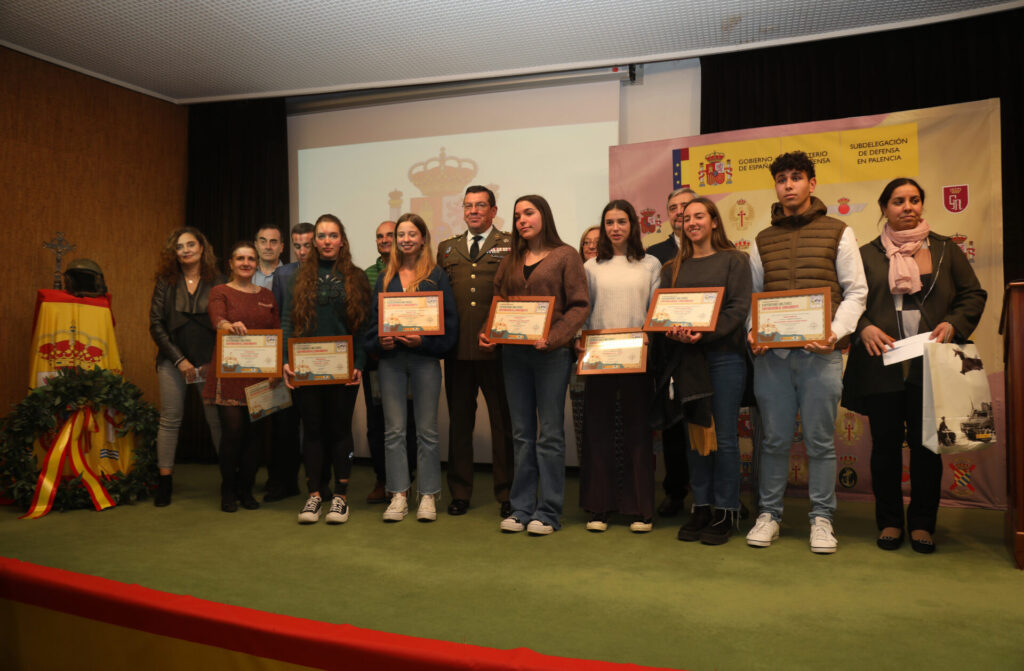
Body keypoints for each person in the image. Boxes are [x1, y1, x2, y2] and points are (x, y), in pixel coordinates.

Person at [841, 178, 986, 554]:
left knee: (927, 448)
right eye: (898, 201)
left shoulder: (944, 249)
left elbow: (973, 294)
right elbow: (848, 301)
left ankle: (922, 524)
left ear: (922, 205)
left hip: (932, 365)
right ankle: (889, 521)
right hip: (882, 365)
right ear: (884, 208)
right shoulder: (866, 253)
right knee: (885, 447)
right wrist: (863, 327)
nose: (908, 207)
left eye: (914, 200)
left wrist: (954, 323)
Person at [745, 151, 867, 554]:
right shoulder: (762, 239)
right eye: (782, 179)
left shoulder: (838, 231)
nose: (789, 185)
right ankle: (769, 515)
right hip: (774, 359)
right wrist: (753, 332)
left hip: (821, 356)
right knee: (775, 441)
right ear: (776, 187)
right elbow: (755, 297)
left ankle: (822, 519)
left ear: (812, 184)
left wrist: (834, 333)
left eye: (797, 177)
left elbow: (856, 291)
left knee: (820, 443)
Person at [481, 195, 589, 535]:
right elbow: (499, 299)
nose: (522, 220)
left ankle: (548, 512)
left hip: (550, 355)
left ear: (545, 215)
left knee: (551, 435)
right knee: (521, 434)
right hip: (513, 355)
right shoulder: (511, 257)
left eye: (529, 213)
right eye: (517, 216)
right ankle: (521, 507)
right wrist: (489, 332)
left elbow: (579, 306)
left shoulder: (566, 255)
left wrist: (554, 338)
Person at [663, 198, 751, 545]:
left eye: (699, 216)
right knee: (695, 436)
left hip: (725, 358)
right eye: (686, 218)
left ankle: (726, 510)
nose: (691, 222)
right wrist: (672, 331)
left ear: (715, 221)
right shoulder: (672, 266)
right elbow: (664, 311)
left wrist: (706, 332)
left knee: (725, 438)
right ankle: (700, 506)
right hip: (687, 360)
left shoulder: (735, 261)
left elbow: (738, 309)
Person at [366, 213, 457, 523]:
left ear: (422, 239)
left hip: (424, 360)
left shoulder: (436, 276)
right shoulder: (384, 278)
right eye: (400, 234)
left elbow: (449, 324)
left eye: (411, 234)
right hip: (391, 362)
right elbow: (372, 326)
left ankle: (428, 495)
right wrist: (382, 343)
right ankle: (398, 495)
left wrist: (425, 342)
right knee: (393, 431)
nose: (405, 239)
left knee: (428, 431)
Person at [283, 214, 371, 525]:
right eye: (321, 236)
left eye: (333, 235)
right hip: (306, 368)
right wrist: (286, 361)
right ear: (314, 242)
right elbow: (287, 322)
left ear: (342, 241)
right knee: (313, 430)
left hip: (344, 369)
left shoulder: (357, 277)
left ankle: (340, 497)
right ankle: (315, 495)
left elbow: (362, 327)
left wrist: (359, 363)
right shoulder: (297, 278)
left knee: (339, 430)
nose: (327, 241)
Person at [578, 200, 661, 533]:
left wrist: (646, 342)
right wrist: (579, 341)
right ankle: (599, 508)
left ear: (633, 226)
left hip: (637, 359)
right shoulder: (590, 267)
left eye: (621, 222)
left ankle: (640, 509)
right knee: (598, 432)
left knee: (637, 433)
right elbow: (583, 311)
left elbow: (655, 312)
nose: (615, 228)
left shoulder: (651, 264)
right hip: (597, 359)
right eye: (609, 222)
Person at [437, 185, 515, 518]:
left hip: (497, 351)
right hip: (458, 352)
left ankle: (507, 492)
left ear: (493, 211)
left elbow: (515, 295)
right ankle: (460, 492)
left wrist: (500, 333)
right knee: (459, 426)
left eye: (480, 205)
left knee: (503, 424)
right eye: (468, 206)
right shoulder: (447, 248)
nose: (473, 211)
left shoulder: (511, 245)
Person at [149, 227, 224, 507]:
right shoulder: (165, 282)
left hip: (209, 363)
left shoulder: (218, 280)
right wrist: (180, 360)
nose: (186, 250)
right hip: (172, 362)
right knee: (170, 420)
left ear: (202, 248)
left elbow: (224, 323)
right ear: (175, 253)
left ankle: (229, 479)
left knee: (216, 422)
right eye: (180, 247)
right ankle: (165, 482)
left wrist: (211, 362)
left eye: (191, 244)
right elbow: (156, 324)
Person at [203, 241, 280, 512]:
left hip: (261, 376)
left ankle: (246, 490)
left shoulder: (268, 296)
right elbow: (218, 320)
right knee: (233, 433)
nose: (246, 263)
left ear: (257, 264)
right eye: (240, 259)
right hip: (230, 373)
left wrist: (275, 370)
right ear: (231, 264)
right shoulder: (219, 291)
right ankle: (228, 488)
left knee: (255, 437)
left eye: (250, 259)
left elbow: (275, 332)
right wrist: (228, 325)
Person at [646, 188, 697, 517]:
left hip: (708, 351)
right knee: (675, 427)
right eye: (674, 207)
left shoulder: (720, 250)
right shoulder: (655, 254)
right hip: (670, 353)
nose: (680, 212)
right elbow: (651, 306)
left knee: (712, 427)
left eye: (687, 206)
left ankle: (722, 496)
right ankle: (675, 493)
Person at [363, 221, 417, 504]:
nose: (384, 240)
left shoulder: (415, 274)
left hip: (407, 355)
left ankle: (405, 479)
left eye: (389, 235)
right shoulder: (367, 275)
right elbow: (366, 318)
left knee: (407, 422)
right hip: (375, 359)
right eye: (379, 236)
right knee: (377, 424)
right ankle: (383, 479)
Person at [264, 222, 314, 503]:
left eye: (308, 244)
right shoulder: (283, 275)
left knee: (316, 425)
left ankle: (317, 483)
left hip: (320, 358)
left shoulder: (330, 271)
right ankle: (285, 482)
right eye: (298, 245)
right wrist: (280, 360)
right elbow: (278, 318)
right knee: (285, 424)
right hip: (290, 360)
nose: (303, 251)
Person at [569, 225, 601, 462]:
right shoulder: (572, 275)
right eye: (586, 242)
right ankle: (590, 485)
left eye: (597, 242)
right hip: (580, 359)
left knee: (617, 424)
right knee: (585, 428)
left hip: (615, 358)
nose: (591, 247)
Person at [253, 224, 285, 289]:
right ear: (256, 245)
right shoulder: (246, 274)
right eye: (263, 242)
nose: (268, 247)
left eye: (273, 242)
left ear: (281, 247)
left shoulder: (291, 276)